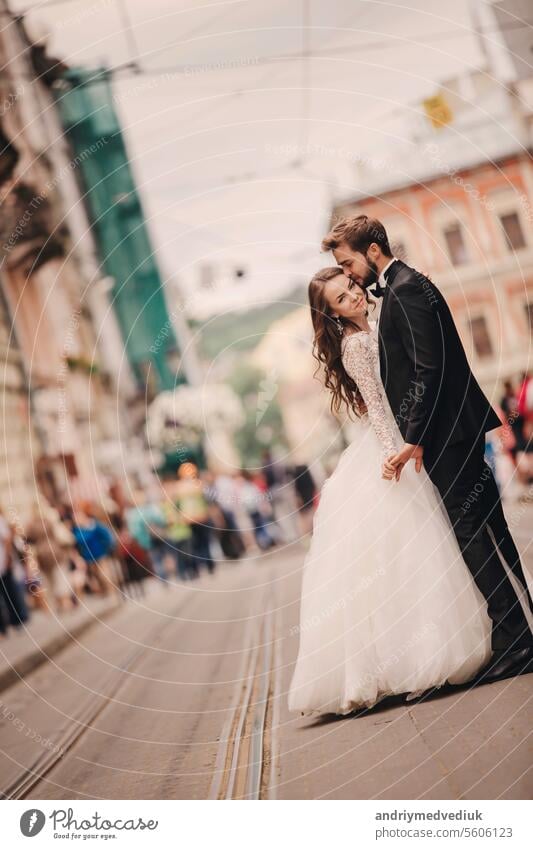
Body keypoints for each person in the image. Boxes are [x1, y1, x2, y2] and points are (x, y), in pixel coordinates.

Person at [323, 215, 533, 683]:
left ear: (371, 250)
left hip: (445, 433)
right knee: (489, 529)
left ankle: (515, 638)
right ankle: (519, 631)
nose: (349, 273)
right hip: (450, 430)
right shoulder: (402, 286)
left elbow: (429, 369)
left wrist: (413, 438)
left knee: (472, 534)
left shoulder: (404, 289)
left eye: (347, 262)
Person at [288, 267, 492, 716]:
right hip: (394, 445)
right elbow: (376, 405)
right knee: (407, 550)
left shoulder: (380, 317)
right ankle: (409, 659)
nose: (354, 298)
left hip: (412, 436)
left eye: (352, 289)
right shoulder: (355, 344)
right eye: (342, 300)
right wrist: (396, 454)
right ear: (334, 315)